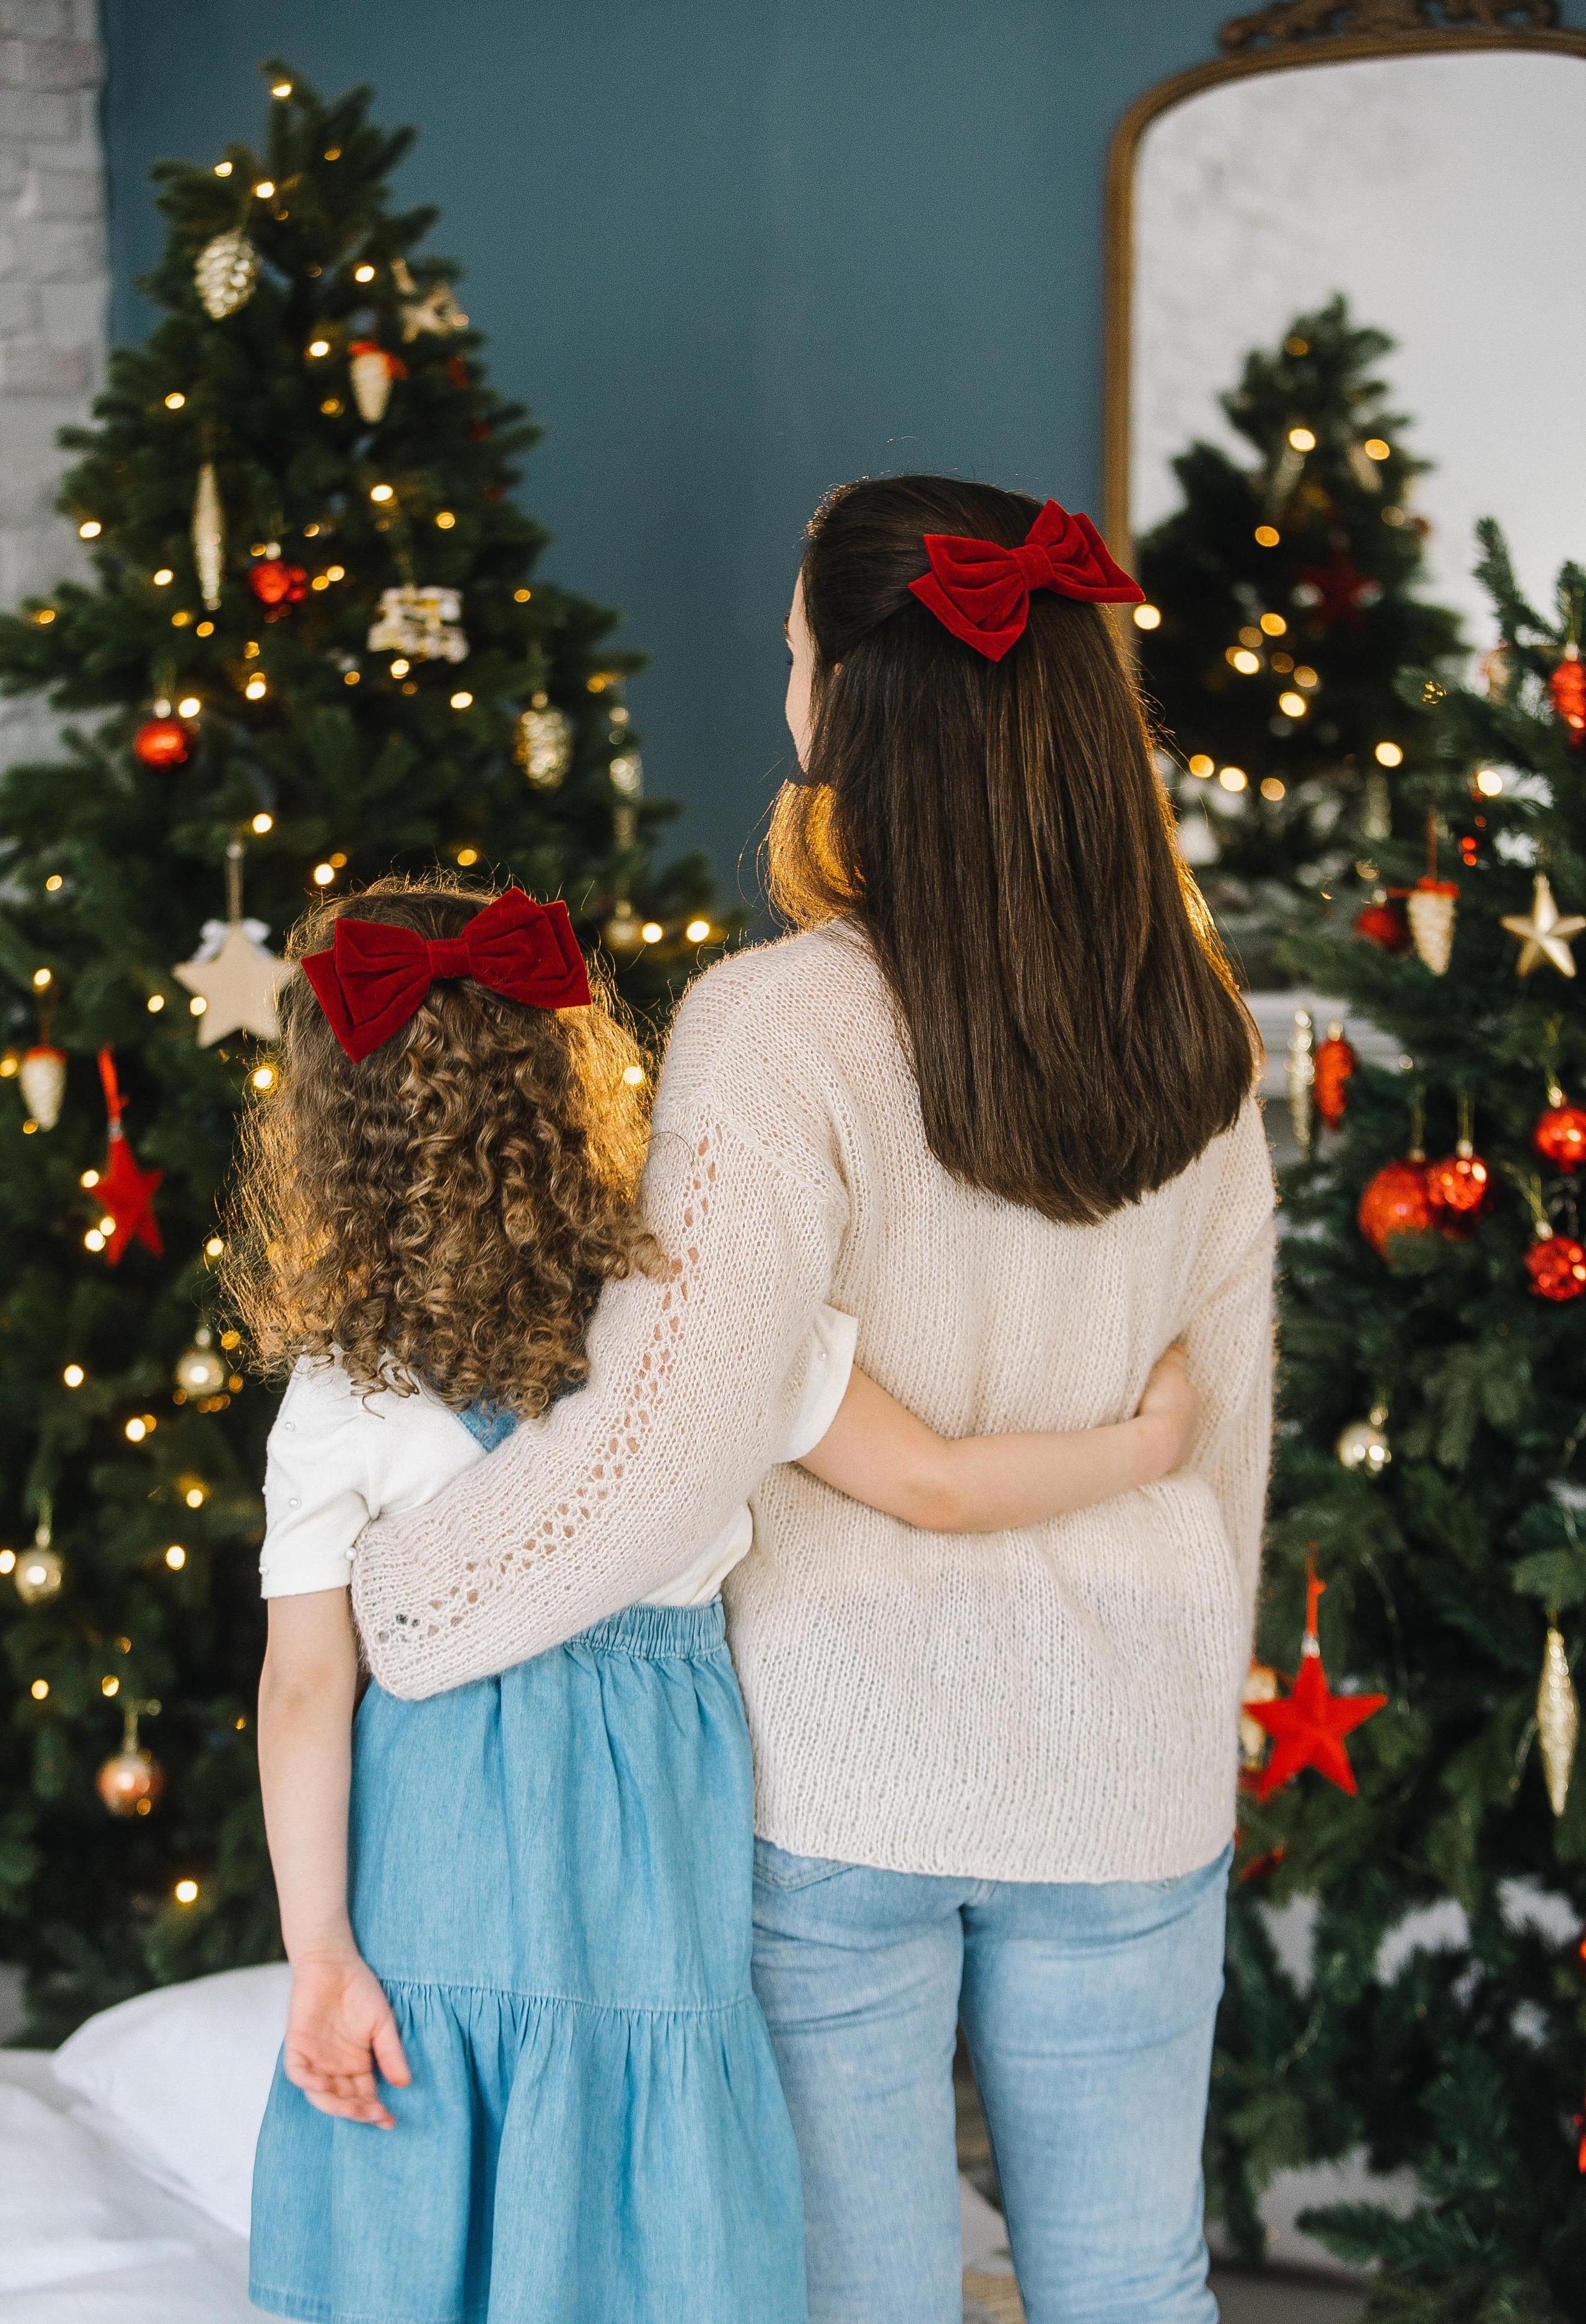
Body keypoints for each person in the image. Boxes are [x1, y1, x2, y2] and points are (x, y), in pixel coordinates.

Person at [349, 478, 1276, 2324]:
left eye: (792, 654)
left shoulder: (777, 1024)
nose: (781, 687)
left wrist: (410, 1596)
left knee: (863, 2297)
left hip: (843, 1765)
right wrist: (1201, 1693)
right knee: (1133, 2282)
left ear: (854, 701)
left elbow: (671, 1428)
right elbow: (1226, 1424)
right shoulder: (1202, 1030)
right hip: (1134, 1750)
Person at [232, 872, 1205, 2324]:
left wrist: (320, 1952)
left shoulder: (337, 1391)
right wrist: (1144, 1448)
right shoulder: (699, 1317)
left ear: (333, 1129)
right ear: (564, 1080)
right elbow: (933, 1481)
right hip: (652, 1868)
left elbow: (307, 1685)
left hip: (431, 1886)